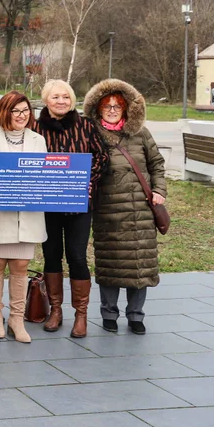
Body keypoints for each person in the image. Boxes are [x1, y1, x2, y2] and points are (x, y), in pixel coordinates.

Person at [83, 79, 166, 335]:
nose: (111, 109)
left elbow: (156, 163)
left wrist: (160, 191)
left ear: (126, 108)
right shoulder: (91, 134)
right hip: (107, 211)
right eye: (106, 105)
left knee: (139, 265)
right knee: (110, 264)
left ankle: (135, 315)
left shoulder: (141, 134)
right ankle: (109, 313)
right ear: (98, 109)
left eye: (116, 105)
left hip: (140, 212)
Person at [34, 79, 109, 338]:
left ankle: (81, 314)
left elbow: (101, 157)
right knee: (51, 254)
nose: (61, 101)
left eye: (66, 97)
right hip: (48, 205)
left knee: (76, 256)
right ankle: (55, 310)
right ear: (46, 100)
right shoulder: (35, 128)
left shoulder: (86, 126)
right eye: (56, 97)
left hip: (79, 204)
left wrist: (88, 181)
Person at [0, 91, 47, 343]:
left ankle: (17, 318)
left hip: (28, 214)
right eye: (16, 111)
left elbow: (45, 175)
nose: (22, 116)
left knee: (20, 267)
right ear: (4, 112)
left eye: (25, 111)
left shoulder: (38, 140)